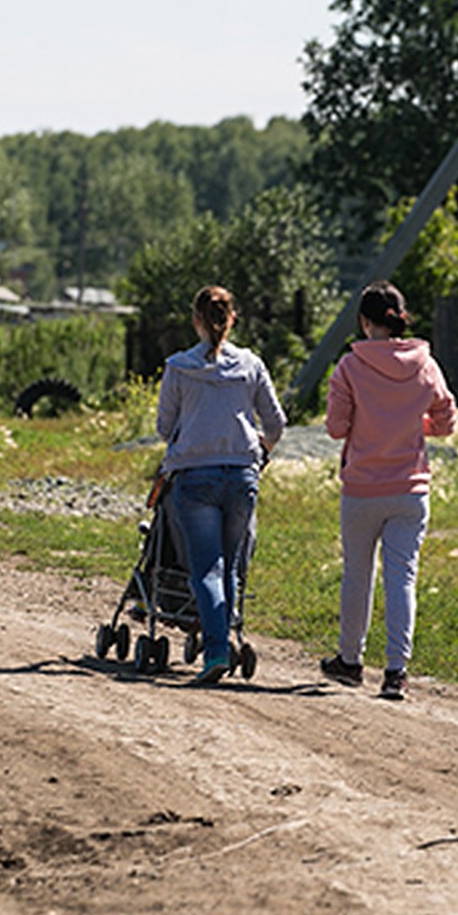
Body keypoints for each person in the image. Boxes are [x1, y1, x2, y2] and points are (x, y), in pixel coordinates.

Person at [321, 280, 457, 700]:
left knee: (357, 575)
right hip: (410, 490)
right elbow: (447, 420)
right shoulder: (425, 364)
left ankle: (350, 660)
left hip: (362, 488)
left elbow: (335, 428)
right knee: (403, 577)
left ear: (365, 322)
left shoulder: (349, 367)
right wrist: (416, 426)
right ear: (400, 318)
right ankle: (396, 672)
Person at [157, 285, 286, 685]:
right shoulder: (251, 365)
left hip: (195, 475)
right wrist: (259, 451)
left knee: (206, 569)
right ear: (232, 319)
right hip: (242, 474)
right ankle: (224, 638)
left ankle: (214, 652)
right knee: (231, 566)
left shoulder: (179, 367)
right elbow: (276, 424)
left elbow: (165, 427)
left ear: (196, 320)